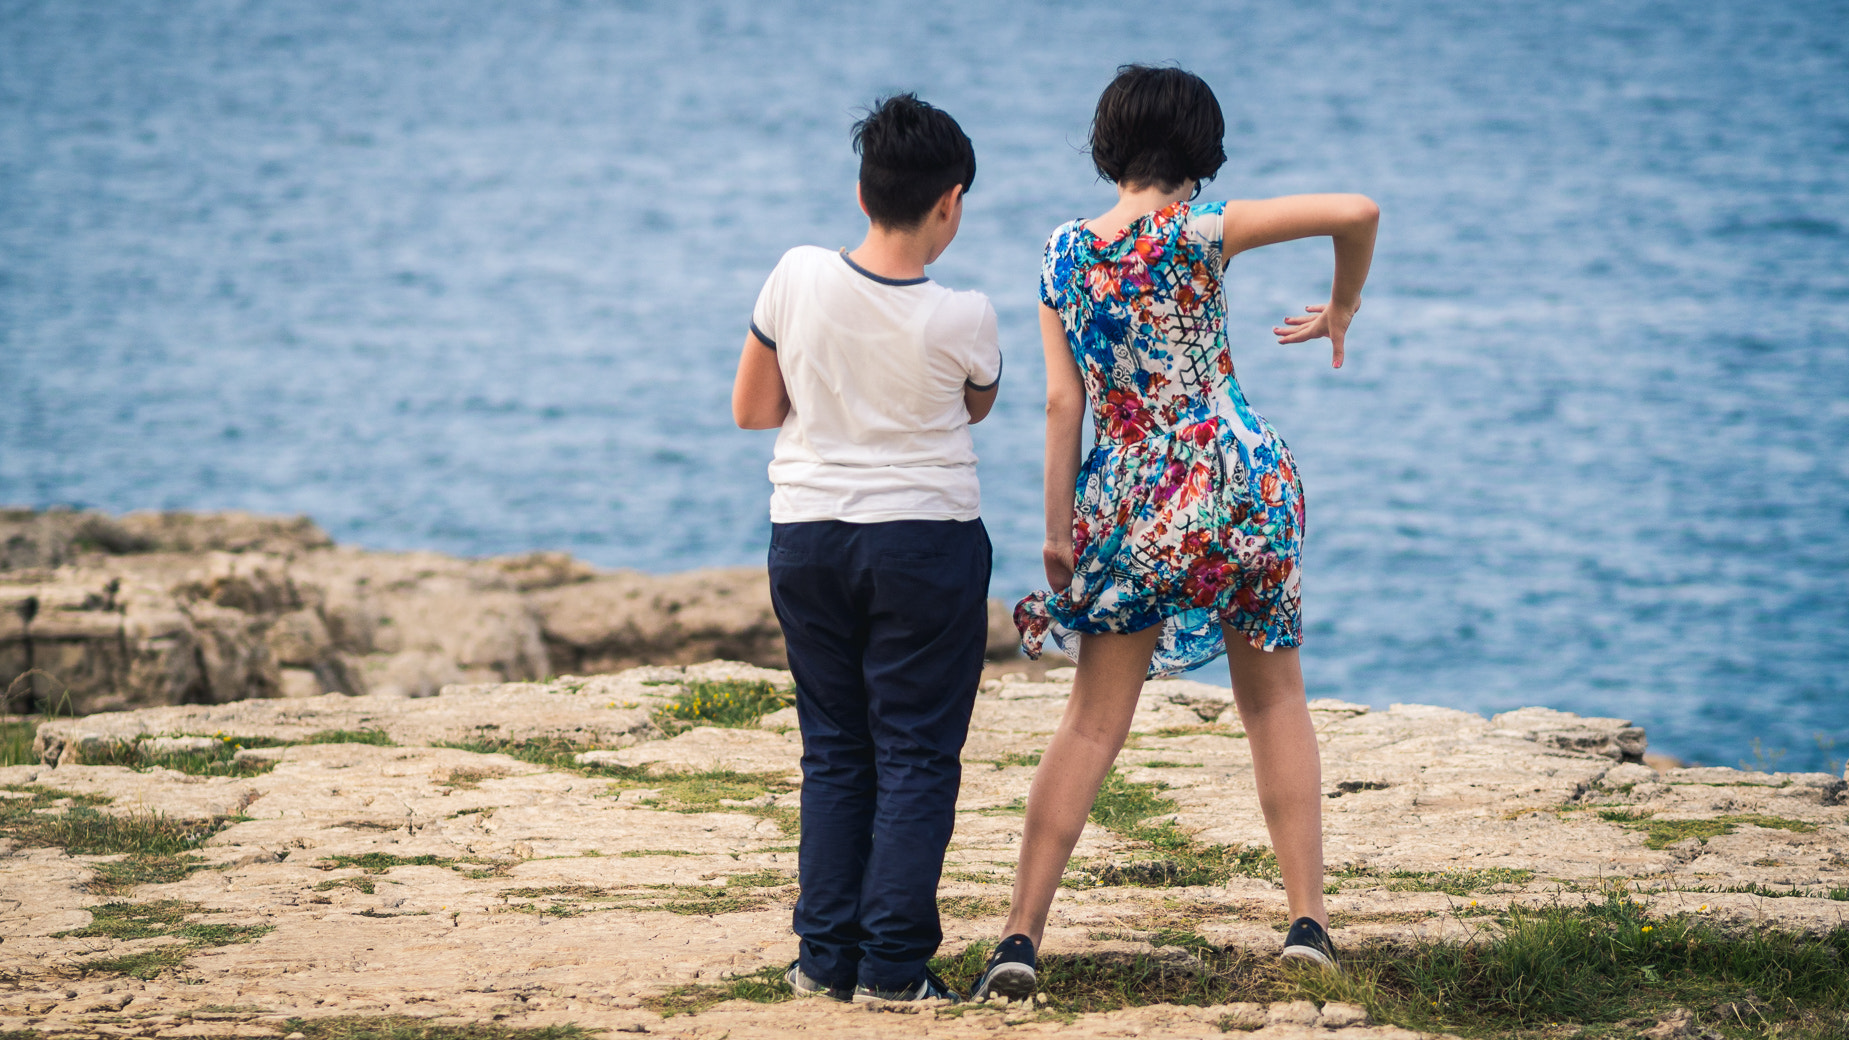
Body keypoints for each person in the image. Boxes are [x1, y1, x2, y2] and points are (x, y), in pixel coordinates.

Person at [971, 65, 1379, 1001]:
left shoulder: (1059, 254)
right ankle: (1307, 923)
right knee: (1273, 704)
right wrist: (1341, 306)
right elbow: (1356, 209)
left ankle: (1019, 938)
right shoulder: (1200, 230)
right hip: (1240, 485)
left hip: (1130, 503)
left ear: (1107, 147)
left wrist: (1058, 532)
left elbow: (1061, 404)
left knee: (1090, 722)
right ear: (1199, 153)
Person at [731, 93, 1002, 1004]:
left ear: (860, 191)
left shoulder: (794, 275)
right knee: (918, 753)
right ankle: (891, 970)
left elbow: (753, 410)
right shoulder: (964, 314)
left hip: (807, 537)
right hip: (925, 542)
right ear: (949, 203)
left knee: (836, 750)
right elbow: (973, 405)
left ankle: (823, 961)